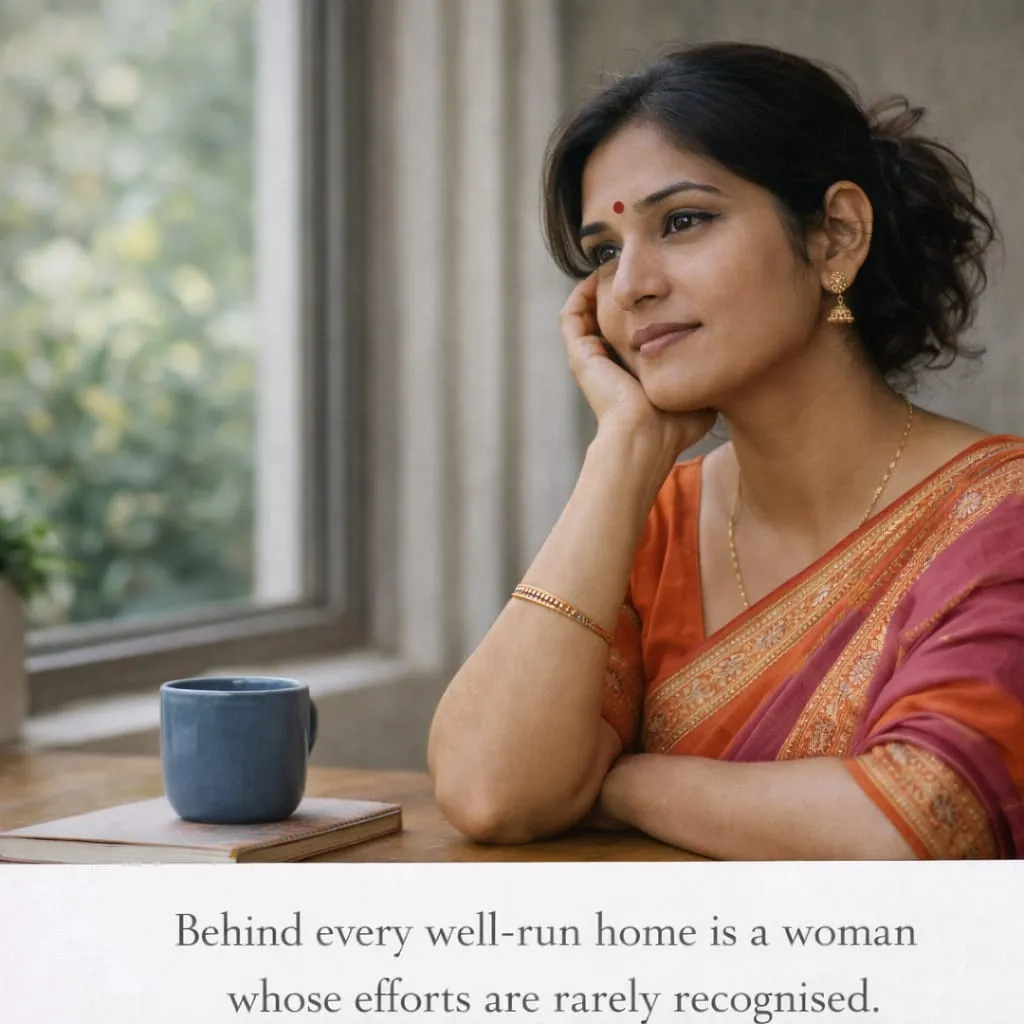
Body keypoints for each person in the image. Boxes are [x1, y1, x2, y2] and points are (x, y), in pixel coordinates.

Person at [427, 42, 1024, 859]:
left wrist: (626, 780)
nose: (632, 284)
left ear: (836, 238)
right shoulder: (653, 522)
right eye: (605, 252)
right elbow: (491, 789)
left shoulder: (1001, 520)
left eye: (683, 221)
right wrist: (624, 450)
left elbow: (915, 827)